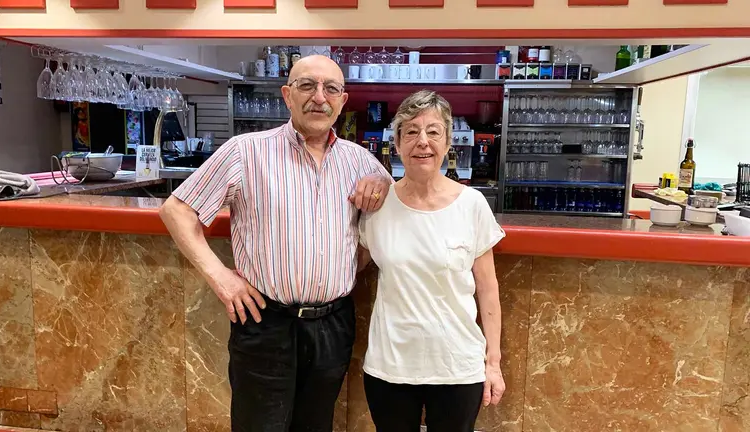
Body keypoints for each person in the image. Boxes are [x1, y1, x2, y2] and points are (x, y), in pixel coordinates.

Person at [159, 55, 392, 432]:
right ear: (286, 95)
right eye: (307, 86)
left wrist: (383, 186)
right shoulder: (245, 152)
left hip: (333, 324)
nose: (319, 97)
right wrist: (221, 278)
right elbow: (176, 211)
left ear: (342, 100)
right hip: (265, 323)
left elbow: (394, 218)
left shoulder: (361, 162)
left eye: (330, 88)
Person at [357, 90, 507, 432]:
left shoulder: (472, 205)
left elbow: (487, 289)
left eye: (433, 131)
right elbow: (349, 267)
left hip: (457, 365)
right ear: (396, 143)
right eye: (410, 131)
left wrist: (493, 363)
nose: (422, 141)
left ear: (448, 141)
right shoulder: (378, 206)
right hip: (390, 366)